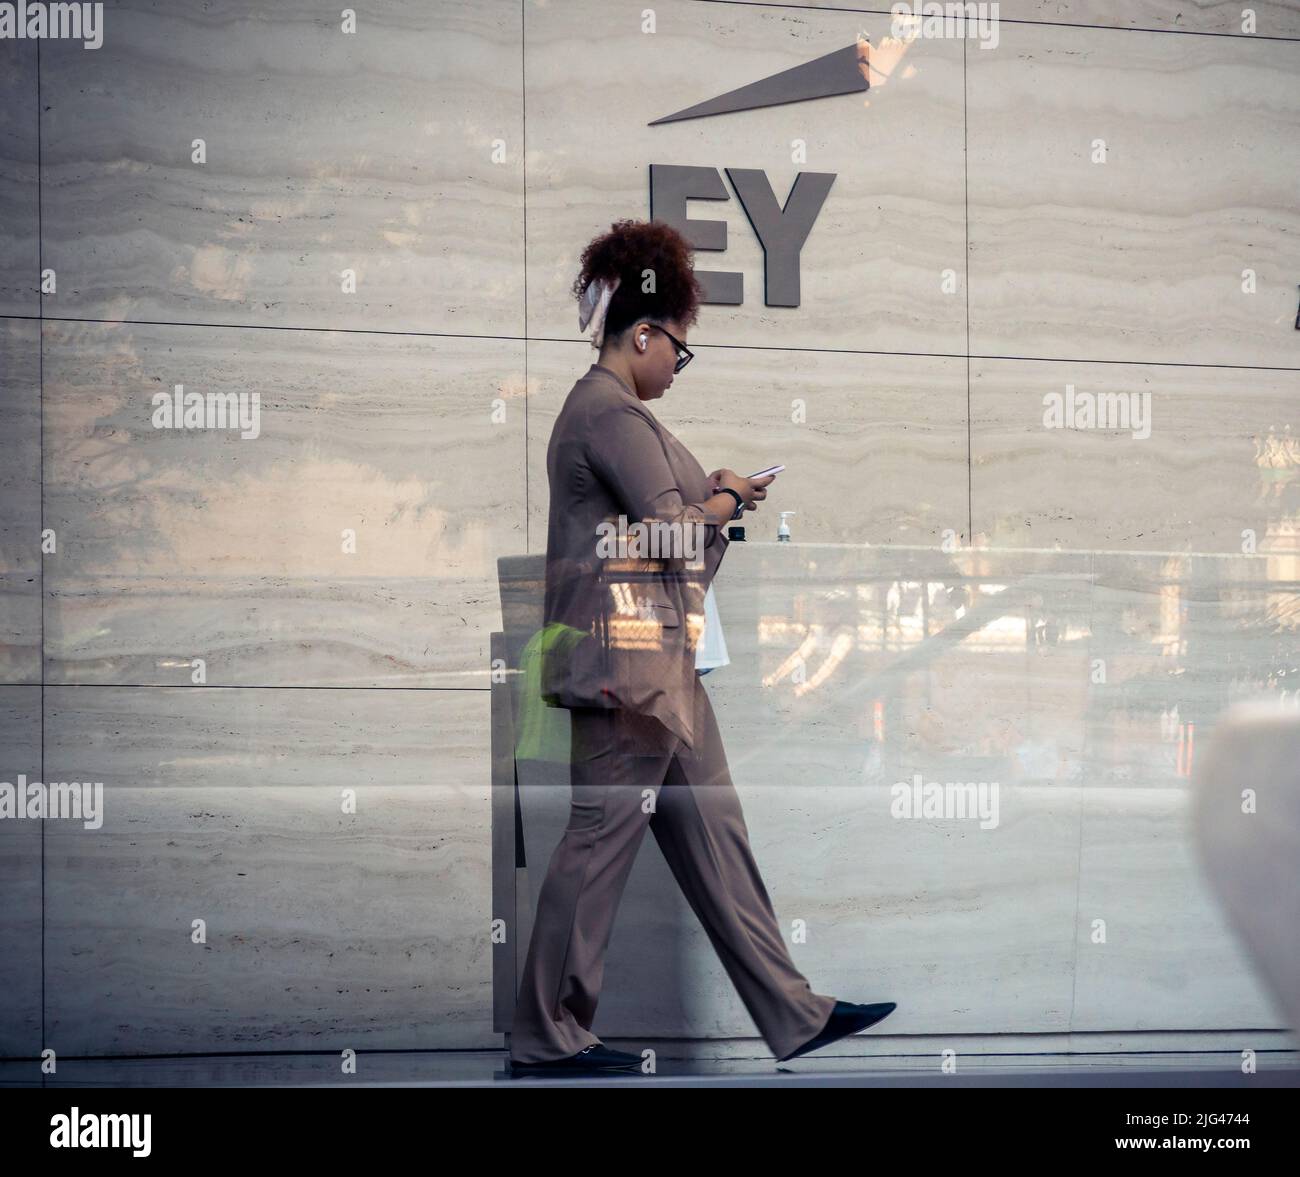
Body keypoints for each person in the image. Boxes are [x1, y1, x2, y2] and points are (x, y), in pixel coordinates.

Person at [508, 218, 895, 1074]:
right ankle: (547, 1033)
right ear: (643, 333)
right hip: (625, 670)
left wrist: (719, 486)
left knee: (716, 834)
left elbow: (670, 508)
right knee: (599, 840)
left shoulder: (617, 414)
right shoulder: (604, 411)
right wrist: (721, 505)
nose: (677, 367)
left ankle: (792, 1011)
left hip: (660, 671)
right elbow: (674, 533)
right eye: (679, 351)